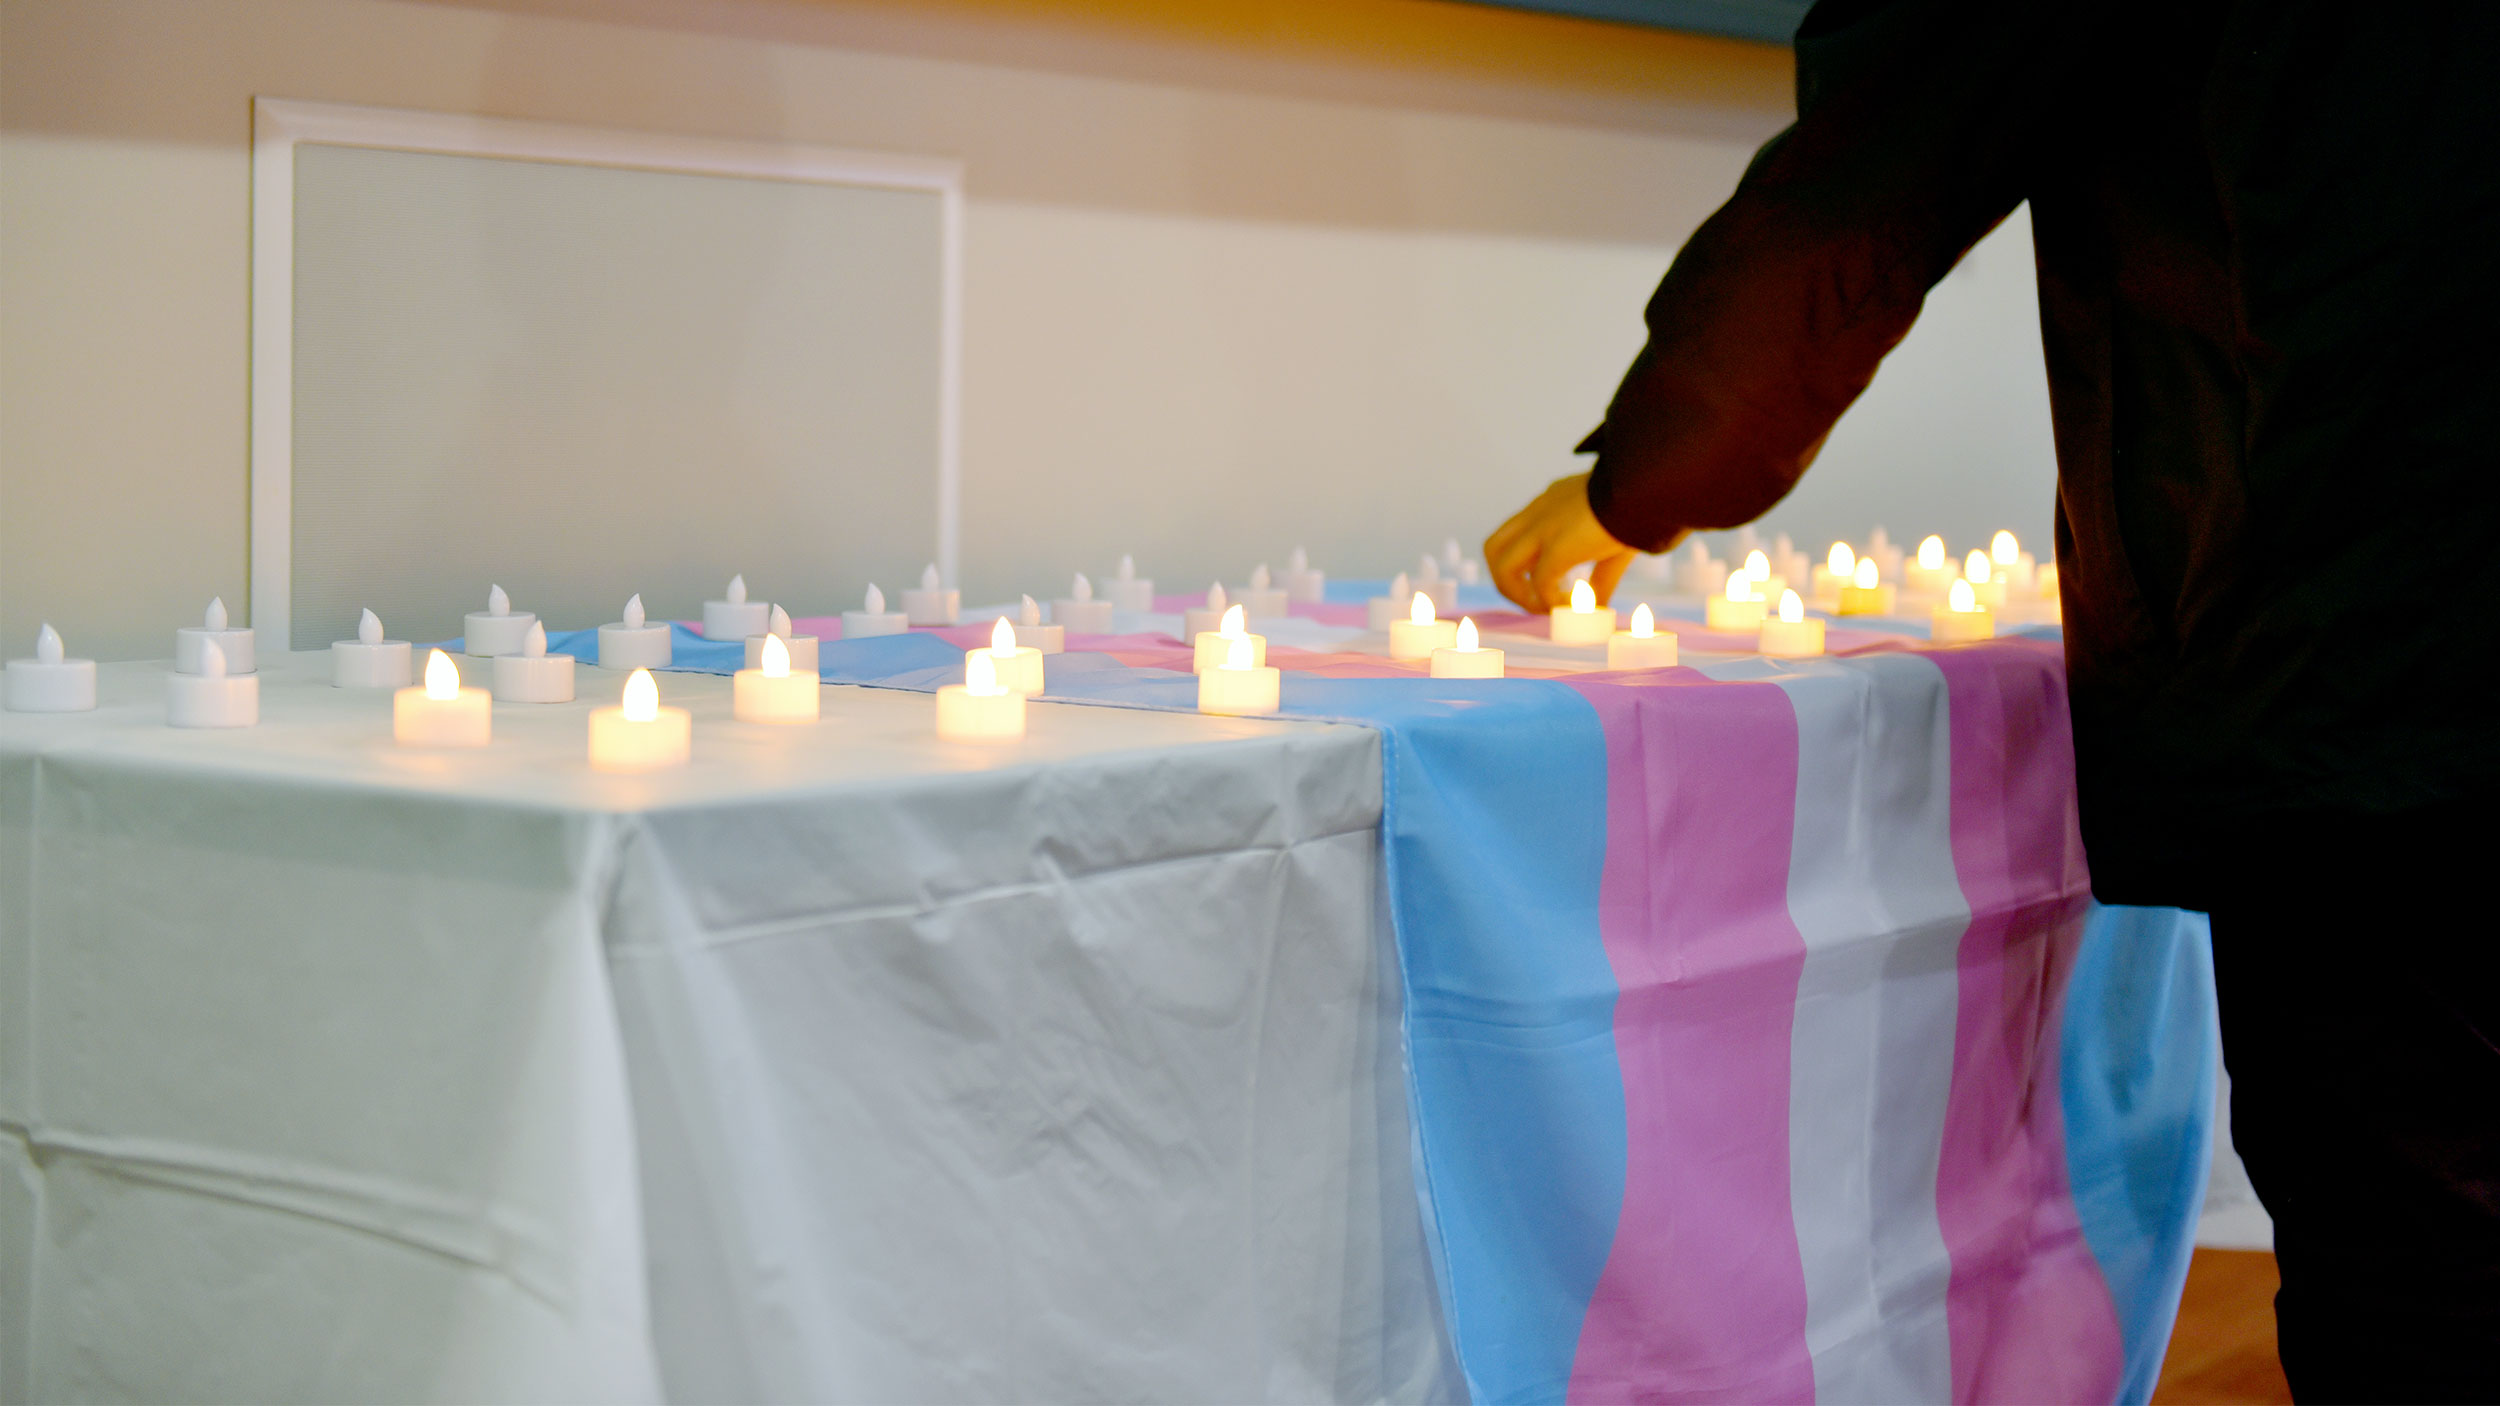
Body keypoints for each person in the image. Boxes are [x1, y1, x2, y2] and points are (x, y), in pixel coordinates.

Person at [1484, 0, 2500, 1396]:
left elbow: (1885, 162)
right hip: (2404, 618)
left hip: (2371, 627)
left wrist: (1643, 481)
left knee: (2420, 1240)